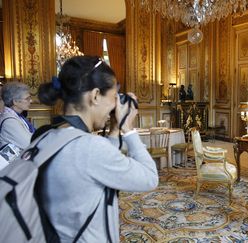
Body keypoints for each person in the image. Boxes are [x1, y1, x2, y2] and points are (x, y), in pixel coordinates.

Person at [36, 56, 158, 242]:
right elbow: (150, 178)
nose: (114, 105)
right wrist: (128, 129)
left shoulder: (44, 136)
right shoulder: (89, 148)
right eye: (113, 97)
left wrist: (115, 129)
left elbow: (93, 165)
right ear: (94, 96)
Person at [0, 81, 34, 150]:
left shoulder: (17, 116)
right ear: (15, 101)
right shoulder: (9, 122)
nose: (31, 101)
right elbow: (29, 144)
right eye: (27, 98)